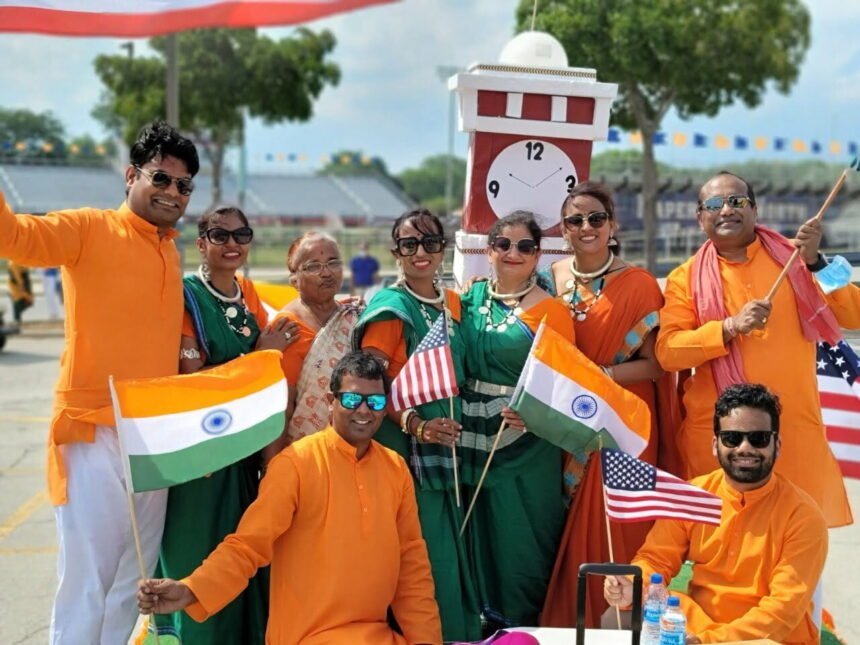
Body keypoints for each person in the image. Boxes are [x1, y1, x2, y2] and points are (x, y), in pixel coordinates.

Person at [0, 120, 199, 643]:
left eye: (183, 186)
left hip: (151, 437)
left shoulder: (169, 250)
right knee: (88, 579)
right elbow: (15, 237)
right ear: (131, 175)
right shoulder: (87, 228)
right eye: (161, 179)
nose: (172, 193)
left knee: (132, 580)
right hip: (92, 432)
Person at [137, 351, 443, 645]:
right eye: (352, 399)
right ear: (330, 401)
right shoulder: (296, 464)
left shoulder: (394, 468)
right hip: (306, 637)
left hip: (375, 634)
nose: (364, 410)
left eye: (375, 402)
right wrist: (192, 589)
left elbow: (412, 566)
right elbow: (248, 545)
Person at [656, 171, 860, 528]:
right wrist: (728, 327)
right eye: (715, 204)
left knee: (796, 544)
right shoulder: (684, 278)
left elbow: (853, 315)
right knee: (722, 549)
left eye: (737, 201)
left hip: (790, 432)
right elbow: (669, 352)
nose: (726, 211)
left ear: (754, 208)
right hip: (721, 436)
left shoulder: (794, 261)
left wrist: (816, 262)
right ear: (699, 217)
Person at [150, 206, 296, 643]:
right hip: (201, 458)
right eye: (221, 235)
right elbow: (195, 384)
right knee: (197, 556)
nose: (232, 244)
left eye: (241, 235)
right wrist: (259, 358)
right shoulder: (187, 298)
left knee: (239, 560)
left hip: (243, 456)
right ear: (201, 244)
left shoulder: (250, 296)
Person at [539, 181, 681, 627]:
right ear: (563, 229)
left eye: (596, 219)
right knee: (561, 524)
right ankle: (567, 620)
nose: (586, 227)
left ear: (612, 225)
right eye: (575, 220)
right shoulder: (550, 279)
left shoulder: (638, 284)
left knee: (617, 525)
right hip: (564, 420)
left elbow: (655, 366)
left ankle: (623, 623)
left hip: (623, 421)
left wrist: (598, 379)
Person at [604, 384, 827, 644]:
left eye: (759, 438)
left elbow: (781, 611)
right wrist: (633, 586)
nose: (745, 448)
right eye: (732, 438)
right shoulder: (695, 495)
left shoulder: (802, 516)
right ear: (715, 444)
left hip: (766, 639)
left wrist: (709, 641)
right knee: (614, 616)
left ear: (777, 445)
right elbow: (656, 559)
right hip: (696, 628)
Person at [353, 208, 481, 642]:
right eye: (409, 245)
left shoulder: (454, 303)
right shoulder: (391, 309)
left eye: (429, 243)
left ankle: (456, 631)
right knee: (423, 552)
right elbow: (372, 385)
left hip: (448, 451)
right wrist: (418, 426)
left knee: (448, 544)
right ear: (396, 254)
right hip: (406, 453)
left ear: (443, 249)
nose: (420, 252)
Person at [459, 211, 575, 628]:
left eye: (526, 246)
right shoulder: (469, 299)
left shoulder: (551, 312)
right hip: (473, 435)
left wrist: (531, 414)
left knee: (520, 538)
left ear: (538, 255)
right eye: (504, 244)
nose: (514, 253)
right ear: (488, 250)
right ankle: (478, 627)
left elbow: (564, 380)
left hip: (526, 437)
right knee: (476, 530)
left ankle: (522, 627)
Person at [269, 232, 362, 450]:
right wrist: (272, 466)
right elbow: (282, 405)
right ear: (294, 280)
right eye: (313, 267)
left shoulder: (353, 316)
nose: (326, 273)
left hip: (351, 446)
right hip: (302, 450)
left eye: (333, 263)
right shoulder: (286, 327)